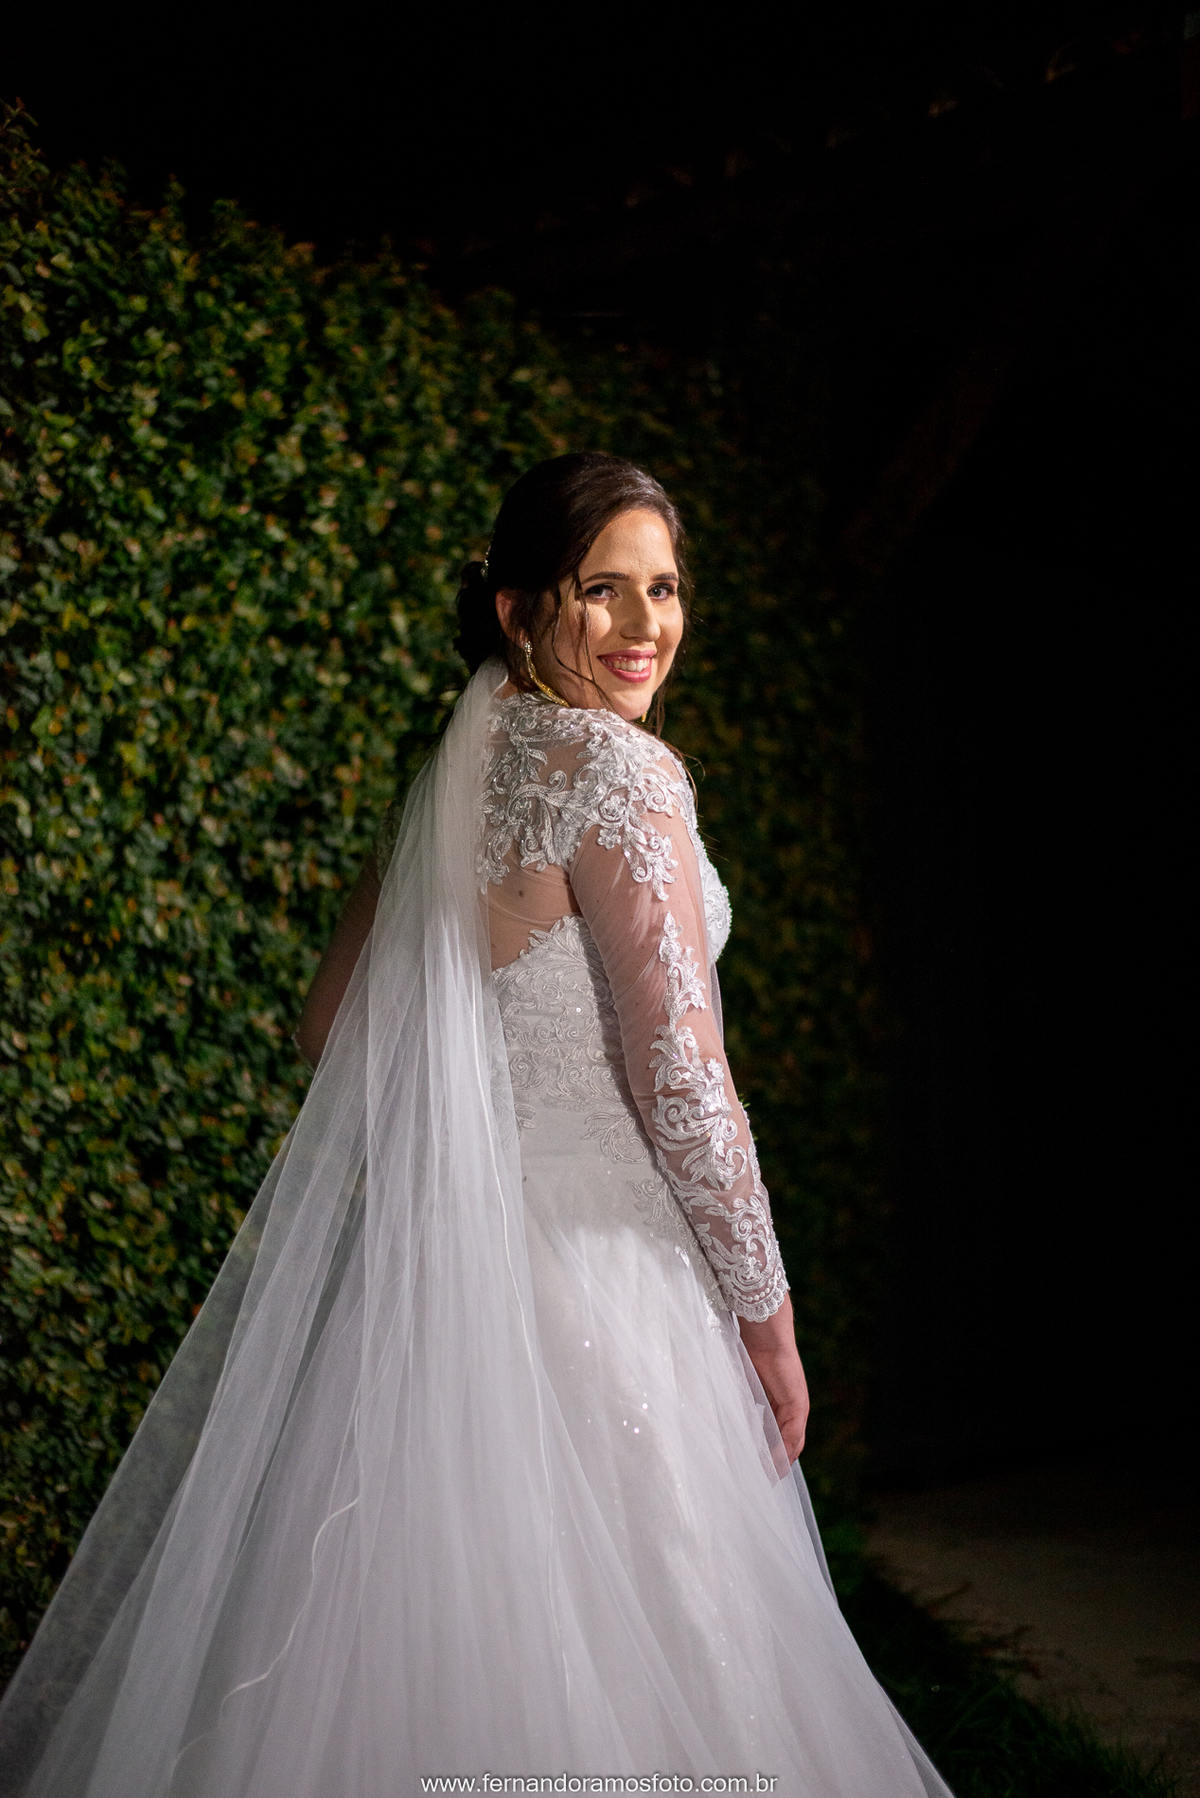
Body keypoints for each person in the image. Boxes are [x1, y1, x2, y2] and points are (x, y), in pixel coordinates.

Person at [0, 453, 951, 1797]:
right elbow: (683, 1084)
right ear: (517, 607)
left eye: (665, 588)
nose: (644, 627)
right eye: (601, 591)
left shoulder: (458, 764)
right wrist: (769, 1319)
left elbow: (335, 1022)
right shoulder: (626, 775)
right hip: (608, 1279)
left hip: (453, 1288)